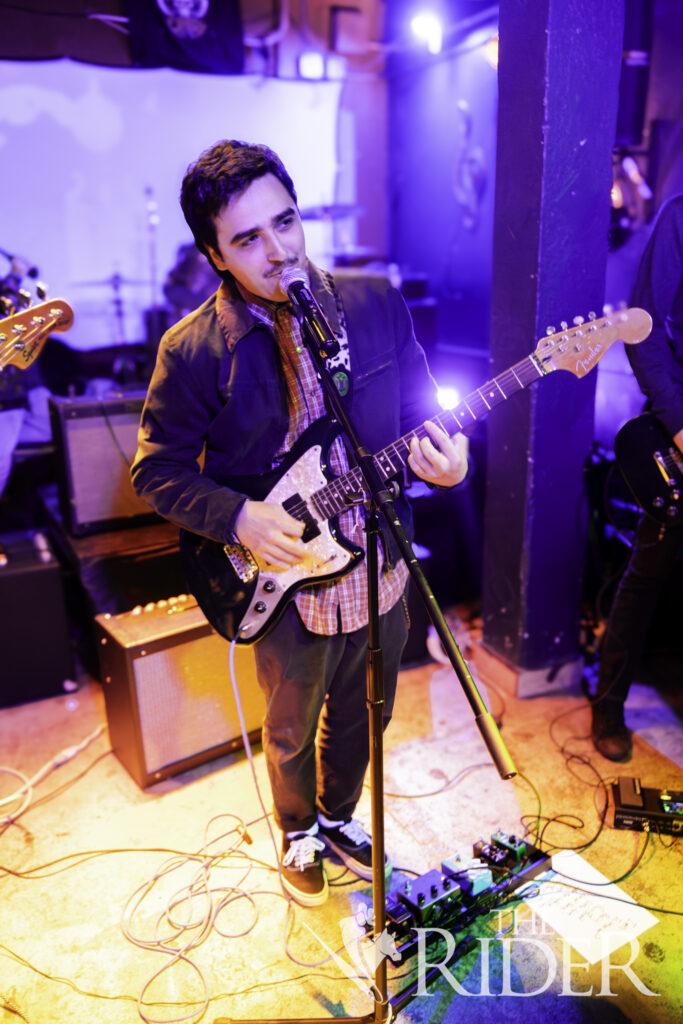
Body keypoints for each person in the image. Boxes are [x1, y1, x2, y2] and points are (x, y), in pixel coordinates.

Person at [131, 140, 468, 906]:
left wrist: (451, 460)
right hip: (285, 579)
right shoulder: (189, 352)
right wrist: (239, 517)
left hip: (379, 560)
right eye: (248, 239)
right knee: (291, 722)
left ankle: (340, 814)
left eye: (286, 222)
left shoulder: (375, 301)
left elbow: (421, 412)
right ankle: (296, 827)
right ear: (214, 255)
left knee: (368, 709)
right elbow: (155, 470)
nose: (279, 251)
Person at [592, 193, 683, 761]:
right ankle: (607, 705)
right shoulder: (679, 216)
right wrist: (677, 424)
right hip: (679, 440)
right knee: (646, 573)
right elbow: (644, 328)